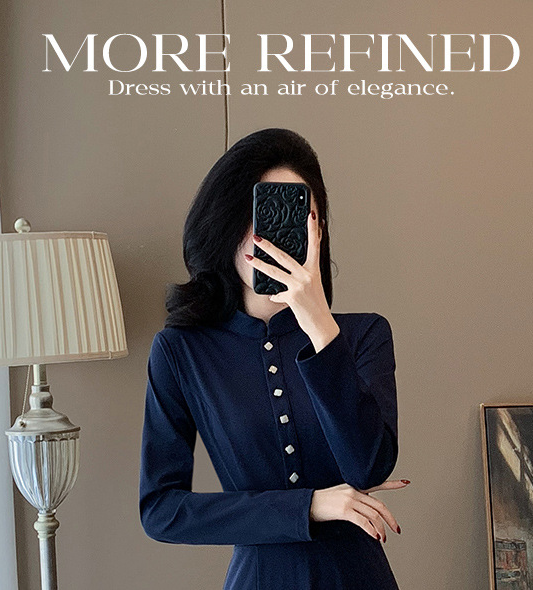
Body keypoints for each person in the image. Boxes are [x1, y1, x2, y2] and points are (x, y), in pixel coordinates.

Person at [139, 127, 409, 589]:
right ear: (225, 223)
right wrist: (310, 505)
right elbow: (161, 511)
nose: (272, 236)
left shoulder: (364, 335)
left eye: (296, 215)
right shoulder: (181, 352)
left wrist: (319, 325)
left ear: (318, 232)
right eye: (260, 213)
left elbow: (368, 467)